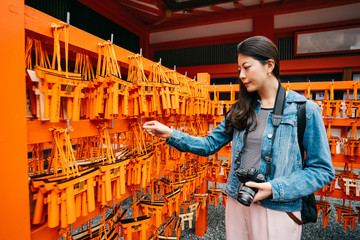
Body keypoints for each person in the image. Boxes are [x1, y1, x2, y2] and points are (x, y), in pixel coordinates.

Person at [143, 36, 335, 240]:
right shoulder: (241, 109)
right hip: (238, 200)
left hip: (277, 208)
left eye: (247, 67)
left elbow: (322, 170)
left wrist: (273, 188)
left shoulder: (304, 110)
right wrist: (170, 133)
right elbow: (209, 144)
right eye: (239, 70)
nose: (241, 75)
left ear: (269, 65)